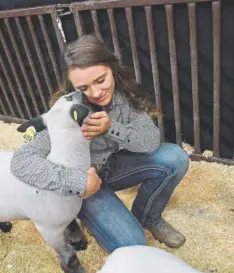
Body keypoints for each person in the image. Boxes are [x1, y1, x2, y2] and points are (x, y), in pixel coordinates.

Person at [10, 34, 189, 252]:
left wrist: (112, 127)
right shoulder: (66, 111)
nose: (95, 93)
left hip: (111, 168)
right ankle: (87, 217)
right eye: (83, 88)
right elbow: (21, 162)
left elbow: (150, 141)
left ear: (112, 68)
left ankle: (148, 217)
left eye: (101, 80)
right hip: (83, 184)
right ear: (73, 86)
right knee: (132, 244)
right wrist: (79, 182)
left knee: (175, 157)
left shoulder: (125, 98)